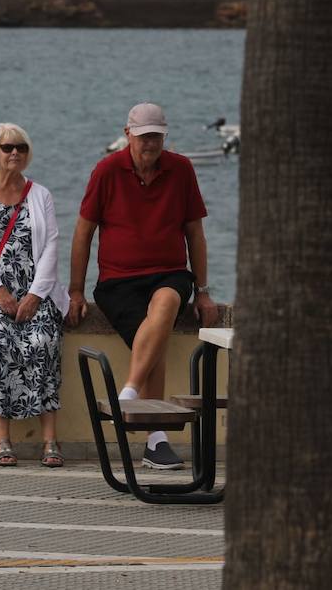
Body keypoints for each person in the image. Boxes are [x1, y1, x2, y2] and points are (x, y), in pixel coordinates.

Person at [66, 102, 219, 470]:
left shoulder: (181, 169)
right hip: (117, 280)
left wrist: (202, 290)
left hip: (168, 272)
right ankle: (155, 439)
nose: (150, 143)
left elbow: (195, 233)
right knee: (152, 341)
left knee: (166, 303)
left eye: (157, 136)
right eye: (144, 136)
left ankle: (128, 394)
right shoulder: (106, 171)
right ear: (127, 134)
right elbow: (83, 233)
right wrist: (75, 291)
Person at [0, 122, 66, 467]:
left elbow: (51, 247)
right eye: (7, 148)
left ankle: (50, 440)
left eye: (20, 146)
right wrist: (0, 291)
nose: (14, 152)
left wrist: (35, 295)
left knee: (44, 341)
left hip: (35, 289)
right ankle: (2, 438)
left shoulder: (40, 195)